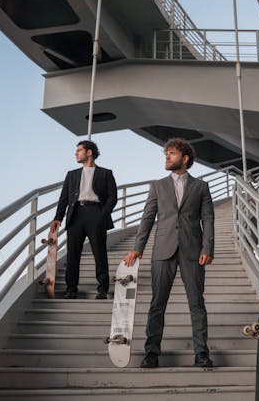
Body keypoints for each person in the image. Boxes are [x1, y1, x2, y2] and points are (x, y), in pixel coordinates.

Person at [123, 138, 215, 368]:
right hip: (162, 250)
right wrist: (137, 248)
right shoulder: (157, 185)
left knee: (197, 303)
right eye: (166, 154)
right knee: (157, 304)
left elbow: (208, 219)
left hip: (192, 251)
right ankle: (151, 353)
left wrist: (208, 247)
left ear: (185, 158)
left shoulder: (201, 187)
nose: (166, 157)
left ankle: (201, 353)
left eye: (171, 154)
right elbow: (147, 218)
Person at [51, 140, 117, 300]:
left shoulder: (105, 173)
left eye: (79, 150)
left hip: (96, 213)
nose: (76, 153)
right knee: (72, 254)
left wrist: (103, 214)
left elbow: (112, 196)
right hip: (76, 214)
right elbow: (64, 198)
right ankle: (71, 289)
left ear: (89, 152)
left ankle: (102, 289)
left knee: (99, 253)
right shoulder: (71, 174)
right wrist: (58, 217)